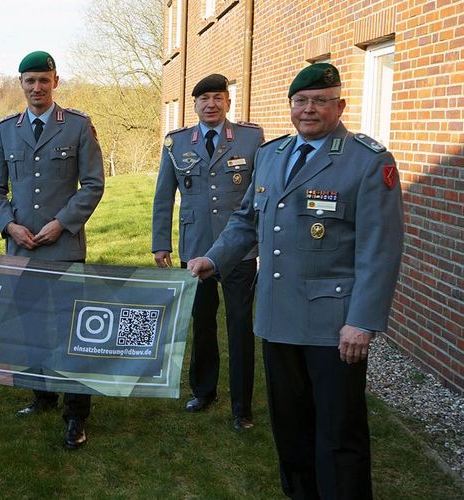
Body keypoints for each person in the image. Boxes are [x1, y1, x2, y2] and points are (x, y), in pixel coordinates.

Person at [187, 63, 403, 499]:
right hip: (277, 316)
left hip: (333, 325)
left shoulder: (366, 160)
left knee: (340, 433)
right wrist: (213, 259)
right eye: (301, 101)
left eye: (321, 101)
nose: (309, 110)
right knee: (291, 428)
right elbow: (246, 220)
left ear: (340, 105)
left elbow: (381, 249)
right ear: (290, 106)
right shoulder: (272, 155)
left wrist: (362, 321)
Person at [0, 50, 104, 449]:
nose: (37, 87)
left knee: (72, 333)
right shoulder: (5, 130)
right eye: (29, 80)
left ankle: (76, 414)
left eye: (43, 80)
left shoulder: (78, 127)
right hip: (23, 249)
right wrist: (9, 225)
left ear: (56, 82)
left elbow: (93, 184)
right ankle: (42, 395)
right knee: (33, 329)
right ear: (20, 84)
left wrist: (62, 223)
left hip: (64, 248)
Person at [151, 74, 262, 430]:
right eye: (204, 99)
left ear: (228, 102)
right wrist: (160, 242)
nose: (211, 104)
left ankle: (242, 405)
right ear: (194, 105)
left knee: (240, 324)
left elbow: (260, 195)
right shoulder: (176, 143)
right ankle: (203, 390)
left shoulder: (250, 139)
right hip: (196, 247)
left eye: (217, 98)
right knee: (202, 321)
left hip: (239, 250)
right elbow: (163, 196)